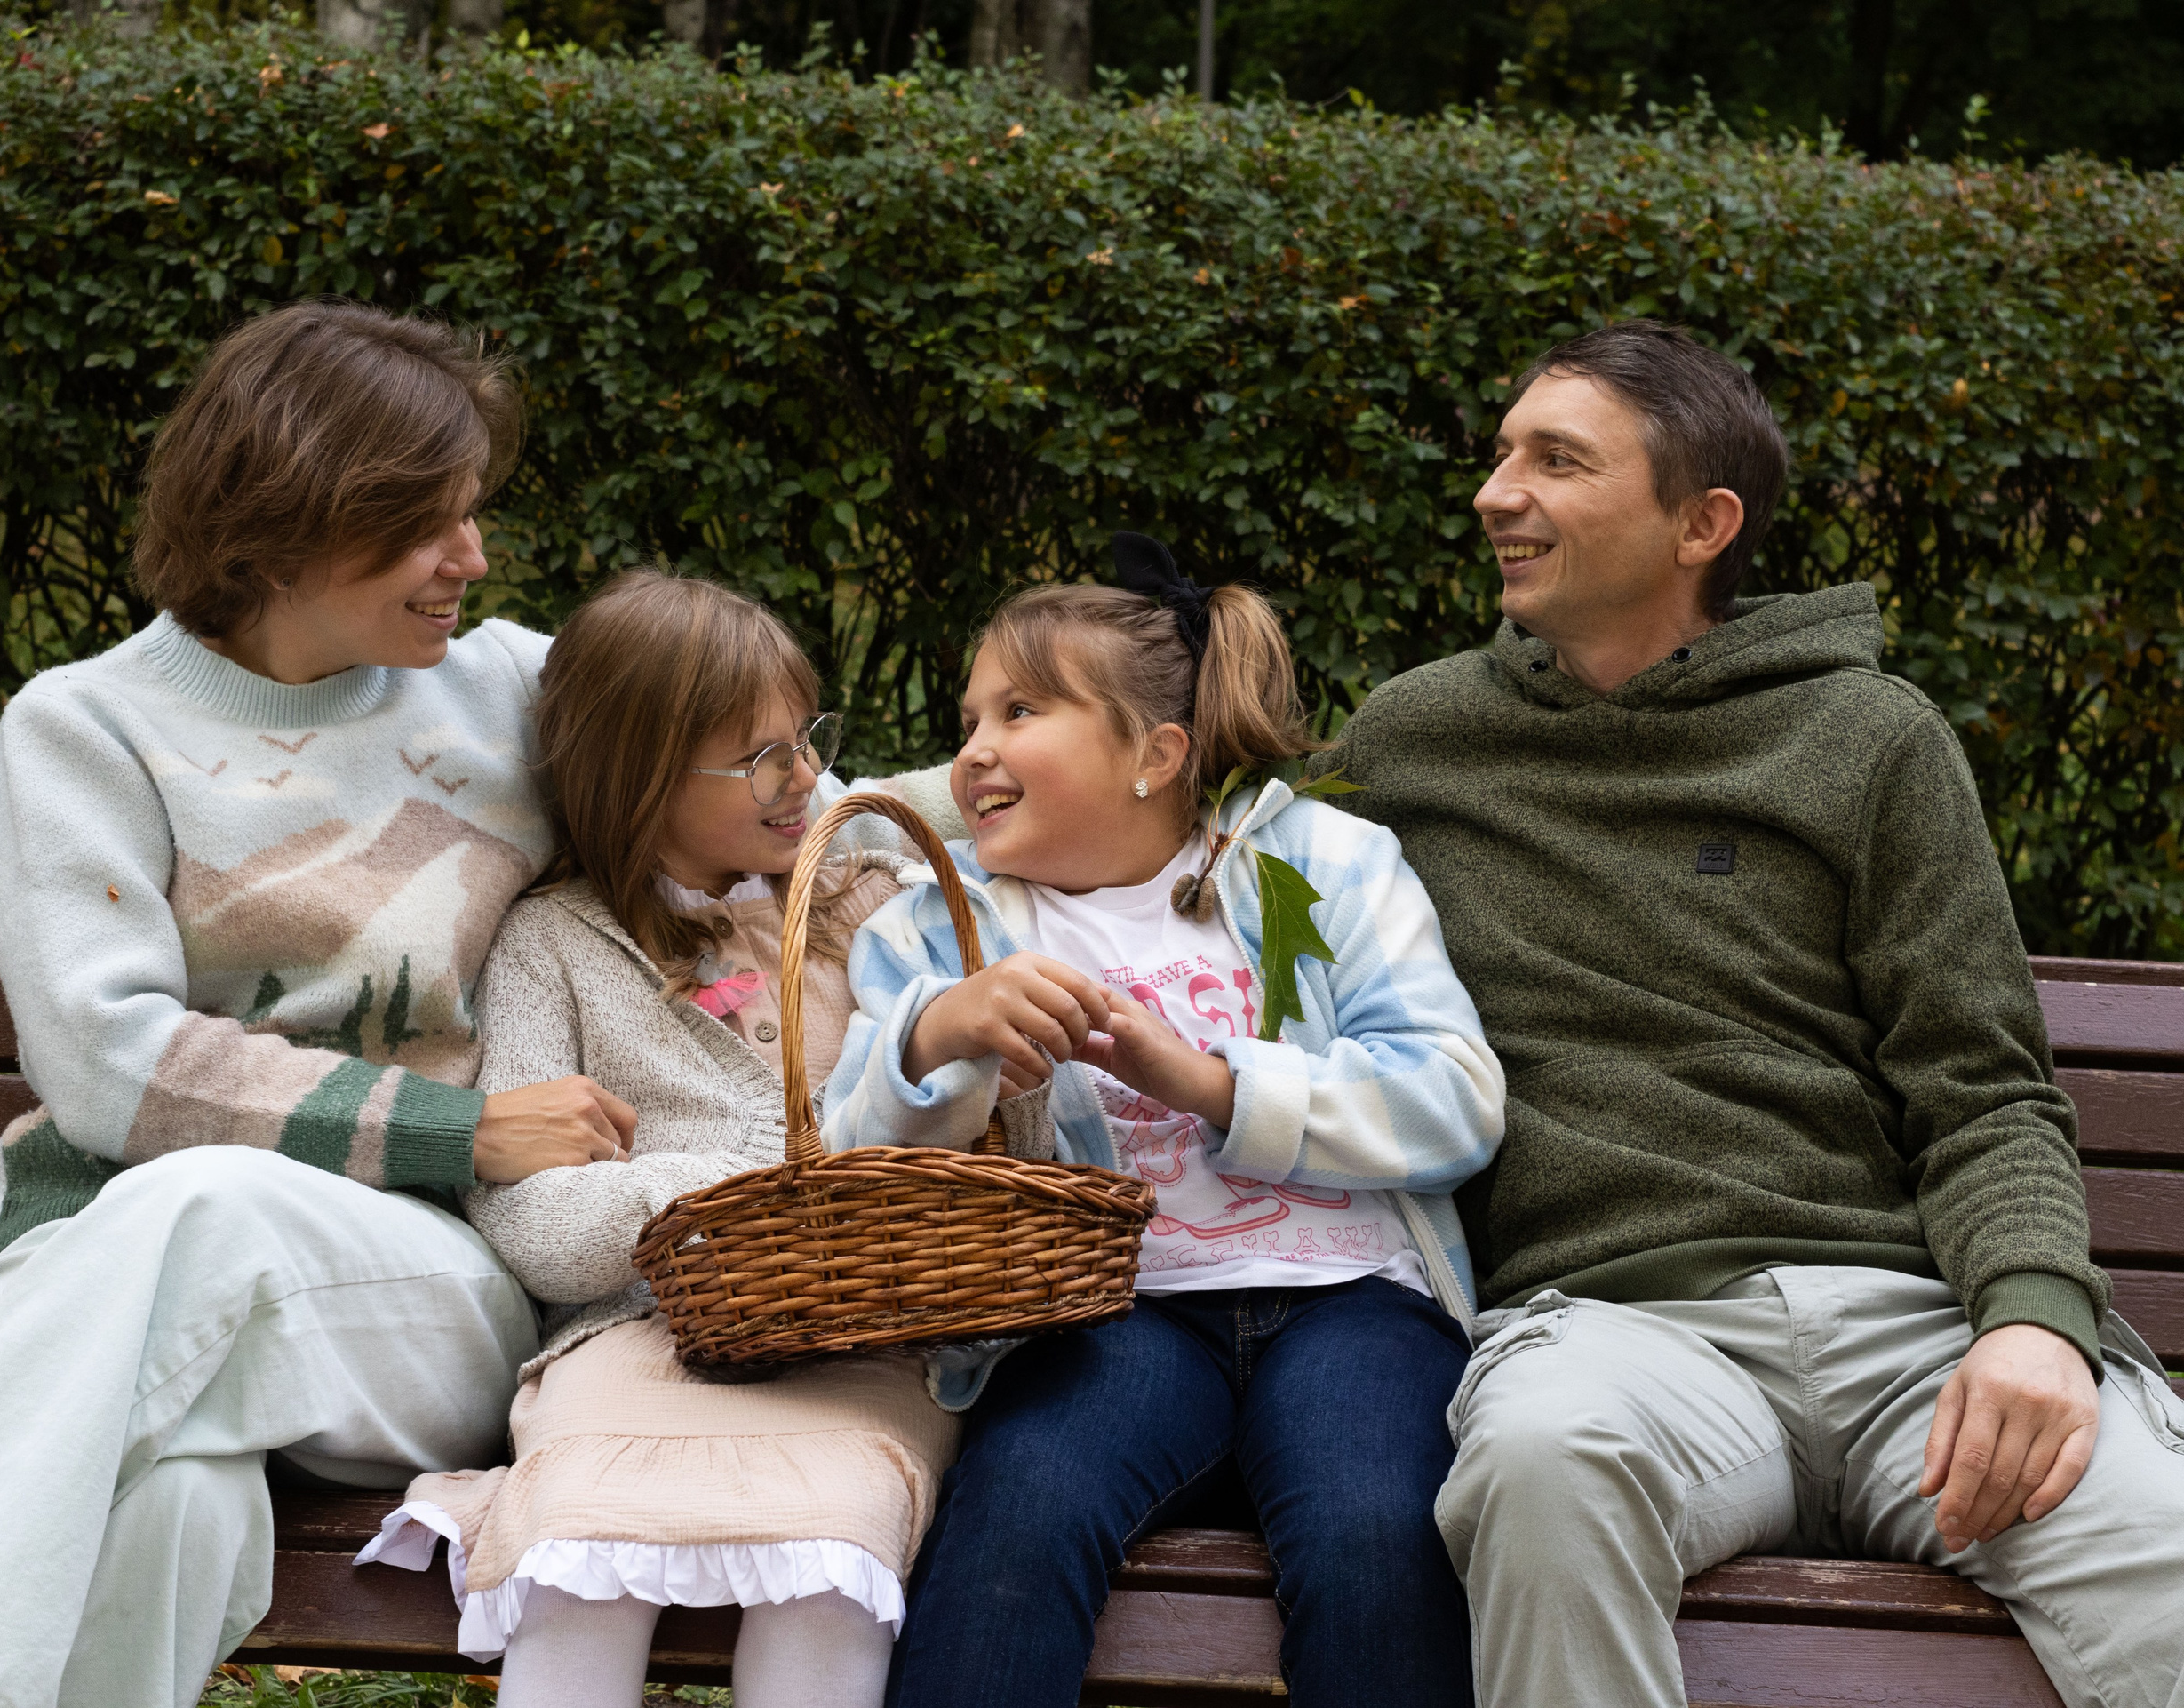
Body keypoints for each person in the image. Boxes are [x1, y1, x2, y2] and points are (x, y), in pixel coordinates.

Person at [1318, 318, 2184, 1708]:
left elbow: (1986, 1088)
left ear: (1701, 524)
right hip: (1617, 1329)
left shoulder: (1869, 737)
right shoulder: (1408, 743)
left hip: (1916, 1334)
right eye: (1500, 454)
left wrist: (2032, 1319)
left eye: (1554, 459)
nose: (1496, 492)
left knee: (2168, 1556)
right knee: (1542, 1464)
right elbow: (1214, 871)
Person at [0, 301, 637, 1708]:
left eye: (473, 515)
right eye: (432, 522)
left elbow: (779, 780)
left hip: (428, 1292)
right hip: (125, 1287)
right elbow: (109, 1065)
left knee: (201, 1208)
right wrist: (456, 1120)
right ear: (293, 523)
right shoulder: (87, 729)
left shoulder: (512, 692)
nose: (472, 561)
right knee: (177, 1501)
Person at [821, 541, 1504, 1708]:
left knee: (1379, 1528)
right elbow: (851, 1172)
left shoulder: (1323, 868)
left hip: (1355, 1300)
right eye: (969, 714)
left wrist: (1209, 1082)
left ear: (1156, 754)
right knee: (1020, 1505)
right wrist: (939, 1037)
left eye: (1022, 709)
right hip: (1112, 1315)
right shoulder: (940, 931)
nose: (973, 747)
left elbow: (1455, 1094)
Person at [355, 571, 959, 1708]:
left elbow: (969, 1137)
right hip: (635, 1342)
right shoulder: (551, 945)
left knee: (829, 1547)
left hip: (860, 1347)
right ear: (636, 775)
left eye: (806, 739)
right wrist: (724, 1192)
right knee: (584, 1546)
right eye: (759, 758)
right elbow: (535, 1221)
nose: (805, 779)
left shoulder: (868, 908)